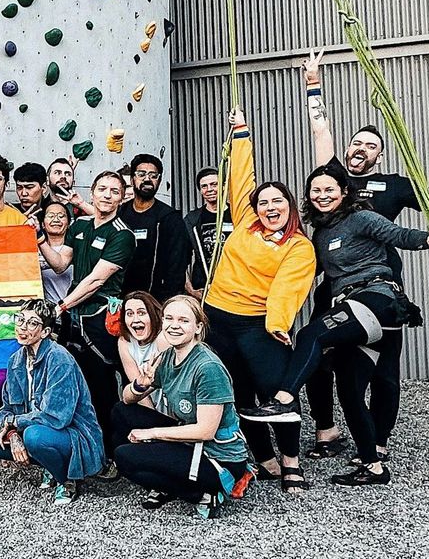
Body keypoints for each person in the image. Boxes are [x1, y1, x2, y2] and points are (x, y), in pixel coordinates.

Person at [241, 163, 429, 486]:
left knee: (311, 334)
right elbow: (302, 271)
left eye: (329, 189)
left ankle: (284, 399)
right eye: (315, 191)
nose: (322, 195)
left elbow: (397, 234)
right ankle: (373, 466)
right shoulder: (320, 234)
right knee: (349, 390)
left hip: (376, 298)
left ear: (344, 192)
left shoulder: (360, 217)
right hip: (360, 315)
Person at [299, 49, 429, 461]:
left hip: (381, 289)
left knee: (384, 372)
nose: (362, 148)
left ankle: (376, 442)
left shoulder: (394, 184)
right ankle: (325, 431)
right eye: (357, 142)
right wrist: (313, 83)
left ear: (380, 154)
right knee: (320, 356)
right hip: (336, 286)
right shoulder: (334, 180)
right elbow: (320, 132)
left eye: (371, 145)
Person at [202, 109, 315, 494]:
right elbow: (241, 177)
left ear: (289, 206)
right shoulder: (247, 222)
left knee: (275, 393)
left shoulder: (299, 247)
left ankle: (291, 462)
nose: (269, 207)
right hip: (218, 317)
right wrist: (240, 132)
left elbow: (288, 287)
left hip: (259, 323)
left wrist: (278, 324)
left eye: (277, 201)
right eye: (263, 201)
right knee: (237, 393)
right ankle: (264, 458)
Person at [113, 296, 251, 519]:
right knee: (121, 412)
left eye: (183, 320)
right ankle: (172, 477)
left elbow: (205, 431)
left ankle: (206, 493)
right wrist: (142, 383)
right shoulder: (168, 357)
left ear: (198, 327)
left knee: (125, 457)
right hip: (189, 440)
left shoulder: (208, 368)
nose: (174, 325)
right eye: (169, 318)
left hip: (218, 456)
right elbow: (128, 398)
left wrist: (152, 434)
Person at [0, 299, 105, 505]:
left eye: (32, 323)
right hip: (33, 428)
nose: (23, 327)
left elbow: (56, 417)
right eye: (20, 320)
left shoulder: (59, 358)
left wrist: (15, 423)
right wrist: (12, 434)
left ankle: (66, 480)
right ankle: (49, 466)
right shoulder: (15, 360)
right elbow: (6, 409)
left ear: (45, 332)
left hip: (74, 433)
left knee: (35, 436)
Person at [52, 170, 135, 470]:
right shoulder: (80, 225)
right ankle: (83, 448)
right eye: (102, 188)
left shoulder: (123, 235)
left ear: (122, 197)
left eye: (114, 191)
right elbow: (62, 264)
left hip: (100, 319)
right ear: (92, 193)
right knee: (73, 383)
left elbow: (95, 282)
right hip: (72, 318)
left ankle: (112, 454)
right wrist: (38, 240)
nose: (107, 195)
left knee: (102, 389)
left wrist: (59, 307)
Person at [118, 154, 192, 301]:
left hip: (156, 299)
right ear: (132, 179)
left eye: (153, 175)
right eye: (141, 174)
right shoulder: (120, 213)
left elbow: (178, 264)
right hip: (121, 297)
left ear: (159, 181)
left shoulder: (170, 217)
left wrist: (168, 300)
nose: (147, 179)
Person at [184, 167, 232, 300]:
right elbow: (180, 259)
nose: (209, 189)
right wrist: (191, 290)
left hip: (234, 288)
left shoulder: (237, 215)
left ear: (224, 186)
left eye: (214, 184)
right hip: (204, 289)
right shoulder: (192, 219)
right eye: (204, 186)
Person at [117, 291, 168, 410]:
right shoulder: (124, 342)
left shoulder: (163, 339)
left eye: (141, 313)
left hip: (172, 409)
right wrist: (152, 419)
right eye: (129, 314)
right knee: (120, 409)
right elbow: (137, 389)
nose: (135, 319)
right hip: (150, 406)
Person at [37, 200, 75, 303]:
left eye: (61, 216)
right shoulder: (35, 251)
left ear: (68, 223)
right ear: (43, 224)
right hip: (48, 310)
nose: (56, 219)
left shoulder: (76, 247)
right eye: (51, 216)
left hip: (72, 307)